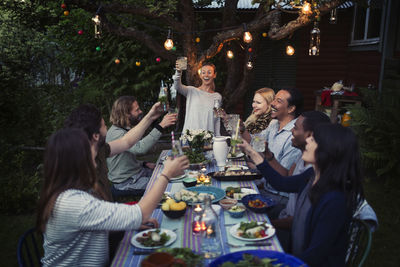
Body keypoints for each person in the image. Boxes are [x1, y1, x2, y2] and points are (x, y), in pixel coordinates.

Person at [36, 128, 189, 267]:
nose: (95, 149)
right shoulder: (72, 203)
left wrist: (126, 223)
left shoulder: (71, 192)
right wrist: (166, 174)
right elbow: (141, 212)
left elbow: (93, 223)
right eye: (89, 147)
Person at [239, 123, 364, 266]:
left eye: (313, 139)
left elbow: (315, 255)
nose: (307, 141)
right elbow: (281, 183)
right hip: (297, 257)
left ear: (329, 150)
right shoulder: (312, 176)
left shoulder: (335, 200)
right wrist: (252, 152)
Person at [64, 102, 164, 200]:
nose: (107, 127)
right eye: (103, 125)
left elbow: (127, 141)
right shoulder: (84, 184)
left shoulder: (101, 149)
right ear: (96, 135)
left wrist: (151, 115)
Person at [106, 96, 177, 194]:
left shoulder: (124, 128)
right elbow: (140, 148)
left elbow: (125, 158)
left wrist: (144, 163)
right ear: (126, 114)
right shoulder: (116, 133)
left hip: (137, 172)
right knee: (167, 184)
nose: (140, 112)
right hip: (127, 182)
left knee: (171, 174)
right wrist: (161, 126)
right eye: (137, 110)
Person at [256, 88, 303, 207]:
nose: (272, 103)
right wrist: (241, 130)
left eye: (278, 101)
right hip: (266, 188)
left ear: (291, 108)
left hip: (279, 197)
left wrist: (268, 156)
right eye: (274, 99)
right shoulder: (273, 124)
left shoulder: (296, 136)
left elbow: (284, 177)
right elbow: (255, 144)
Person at [173, 62, 222, 136]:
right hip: (189, 138)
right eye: (203, 72)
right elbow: (177, 86)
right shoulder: (191, 91)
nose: (206, 75)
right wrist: (178, 72)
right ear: (200, 75)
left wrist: (218, 138)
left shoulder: (217, 96)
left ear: (214, 75)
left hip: (208, 140)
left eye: (209, 72)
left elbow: (216, 120)